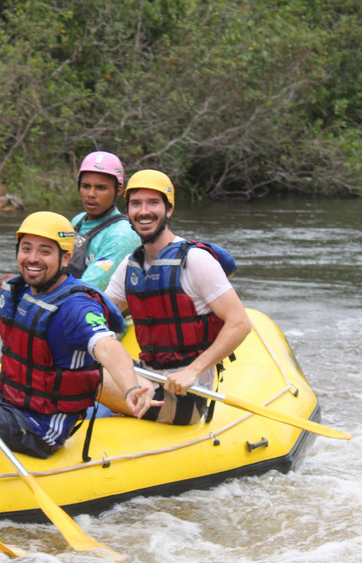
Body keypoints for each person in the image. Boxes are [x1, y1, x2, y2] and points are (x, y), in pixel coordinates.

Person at [0, 211, 155, 458]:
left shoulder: (77, 306)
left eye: (45, 251)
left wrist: (130, 387)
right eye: (26, 249)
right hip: (7, 394)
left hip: (40, 422)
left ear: (65, 258)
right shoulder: (21, 291)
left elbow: (106, 346)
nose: (32, 258)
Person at [99, 170, 252, 425]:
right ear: (129, 213)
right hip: (147, 376)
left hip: (185, 395)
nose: (144, 211)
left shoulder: (195, 260)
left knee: (83, 377)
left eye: (153, 203)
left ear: (168, 210)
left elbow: (240, 323)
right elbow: (97, 316)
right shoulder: (131, 265)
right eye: (136, 204)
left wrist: (192, 371)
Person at [68, 151, 140, 289]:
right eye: (86, 186)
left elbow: (90, 287)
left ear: (119, 190)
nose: (91, 194)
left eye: (101, 188)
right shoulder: (78, 220)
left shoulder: (123, 234)